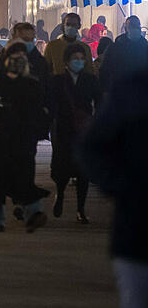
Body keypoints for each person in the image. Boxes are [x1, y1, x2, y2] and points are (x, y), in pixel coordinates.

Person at [81, 64, 148, 308]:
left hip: (134, 227)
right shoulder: (134, 90)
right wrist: (123, 186)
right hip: (138, 230)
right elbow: (92, 147)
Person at [0, 40, 50, 233]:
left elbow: (40, 109)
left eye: (22, 56)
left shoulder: (31, 83)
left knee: (24, 176)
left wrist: (38, 129)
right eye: (14, 56)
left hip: (23, 138)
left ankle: (33, 214)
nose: (18, 60)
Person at [47, 44, 100, 225]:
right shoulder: (57, 81)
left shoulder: (90, 80)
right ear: (67, 61)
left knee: (83, 170)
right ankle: (60, 193)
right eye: (75, 59)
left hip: (83, 130)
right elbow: (51, 104)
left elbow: (98, 101)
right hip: (63, 129)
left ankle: (80, 209)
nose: (79, 62)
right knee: (62, 168)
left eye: (81, 58)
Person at [99, 15, 148, 96]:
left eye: (137, 26)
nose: (135, 28)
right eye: (132, 26)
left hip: (140, 91)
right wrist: (106, 90)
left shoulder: (145, 47)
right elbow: (105, 69)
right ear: (126, 29)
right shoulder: (115, 47)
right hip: (119, 90)